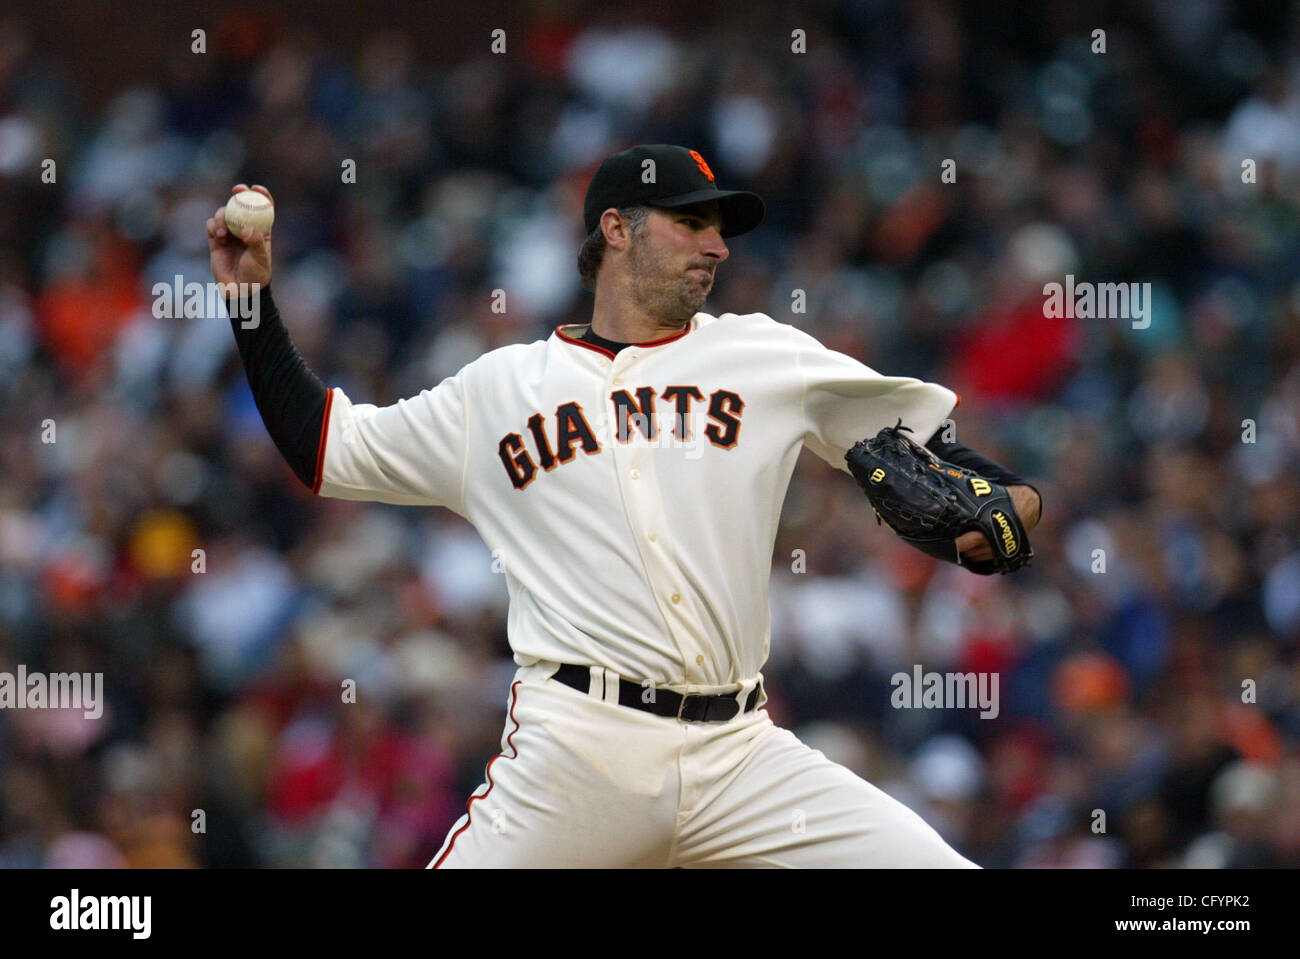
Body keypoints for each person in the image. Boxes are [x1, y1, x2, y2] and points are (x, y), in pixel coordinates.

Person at [207, 144, 1040, 868]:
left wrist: (1009, 515)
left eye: (721, 228)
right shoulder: (499, 389)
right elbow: (325, 447)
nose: (716, 246)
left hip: (739, 752)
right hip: (578, 752)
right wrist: (250, 305)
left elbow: (960, 466)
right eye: (690, 223)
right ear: (616, 228)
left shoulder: (766, 355)